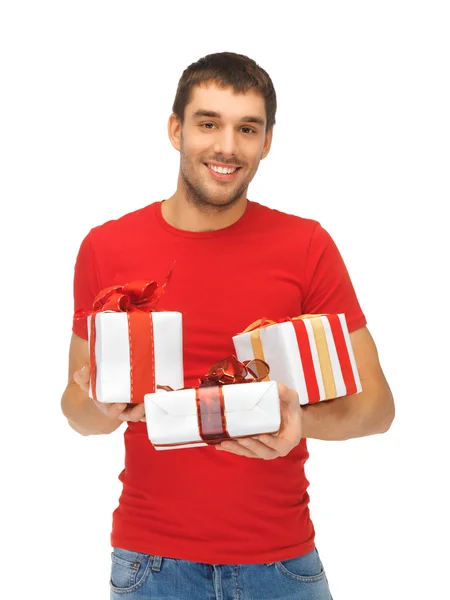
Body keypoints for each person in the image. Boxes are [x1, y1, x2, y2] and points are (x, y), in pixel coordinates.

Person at [61, 51, 395, 600]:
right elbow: (77, 415)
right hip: (152, 564)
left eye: (247, 129)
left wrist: (298, 424)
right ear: (176, 129)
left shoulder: (307, 246)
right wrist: (99, 405)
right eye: (208, 123)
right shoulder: (107, 247)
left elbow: (378, 409)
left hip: (282, 563)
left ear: (266, 143)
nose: (227, 147)